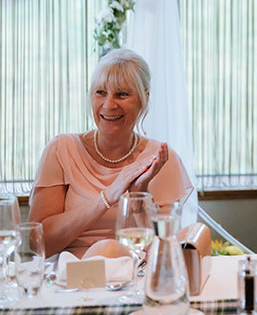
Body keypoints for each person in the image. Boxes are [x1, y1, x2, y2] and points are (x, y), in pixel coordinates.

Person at [29, 48, 193, 257]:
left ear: (145, 97)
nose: (108, 104)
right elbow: (37, 245)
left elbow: (164, 253)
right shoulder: (61, 149)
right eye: (100, 92)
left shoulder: (162, 159)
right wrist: (108, 196)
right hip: (67, 280)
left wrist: (138, 194)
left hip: (132, 279)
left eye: (122, 94)